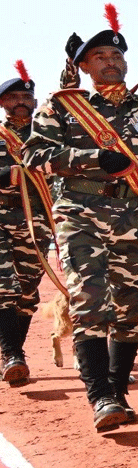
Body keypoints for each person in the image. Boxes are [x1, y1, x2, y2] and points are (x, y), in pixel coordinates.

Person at [25, 0, 138, 431]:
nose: (111, 62)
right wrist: (90, 159)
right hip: (81, 211)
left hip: (135, 213)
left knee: (131, 310)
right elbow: (34, 155)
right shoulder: (65, 106)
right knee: (89, 301)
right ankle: (100, 397)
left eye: (117, 55)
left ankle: (118, 389)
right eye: (100, 56)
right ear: (84, 66)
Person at [0, 63, 52, 385]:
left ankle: (13, 354)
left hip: (38, 220)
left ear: (34, 102)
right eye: (13, 96)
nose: (20, 100)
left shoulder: (47, 136)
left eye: (26, 96)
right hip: (1, 217)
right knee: (3, 285)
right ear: (3, 103)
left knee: (28, 293)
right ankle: (12, 354)